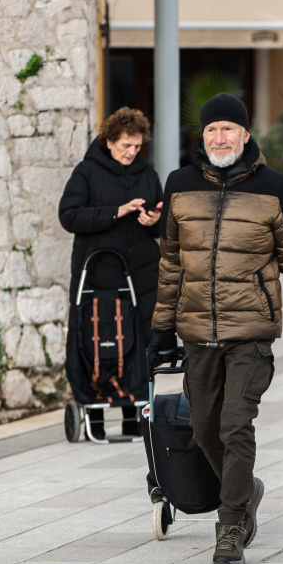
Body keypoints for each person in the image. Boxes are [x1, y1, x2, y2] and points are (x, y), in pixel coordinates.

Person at [147, 93, 283, 564]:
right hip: (196, 334)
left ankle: (231, 526)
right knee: (206, 428)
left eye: (228, 128)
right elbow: (170, 265)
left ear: (246, 135)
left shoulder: (276, 189)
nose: (219, 137)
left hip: (250, 333)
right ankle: (247, 490)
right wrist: (161, 329)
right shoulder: (180, 186)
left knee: (235, 426)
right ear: (202, 137)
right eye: (212, 129)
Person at [59, 107, 162, 439]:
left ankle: (135, 417)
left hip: (142, 278)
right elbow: (69, 216)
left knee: (139, 344)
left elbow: (163, 214)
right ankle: (96, 420)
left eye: (136, 146)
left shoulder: (147, 173)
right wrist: (116, 212)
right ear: (108, 141)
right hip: (99, 278)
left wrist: (155, 221)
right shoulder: (87, 172)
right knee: (99, 344)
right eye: (125, 146)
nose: (131, 152)